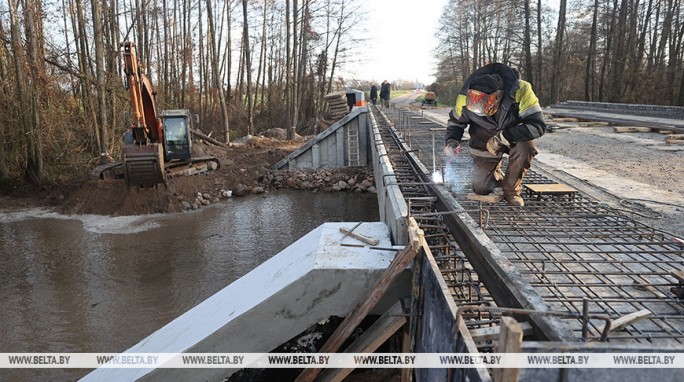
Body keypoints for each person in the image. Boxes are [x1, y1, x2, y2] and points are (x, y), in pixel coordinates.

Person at [444, 63, 546, 206]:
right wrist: (452, 141)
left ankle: (511, 191)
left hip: (514, 138)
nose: (479, 109)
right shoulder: (465, 96)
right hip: (484, 139)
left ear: (497, 97)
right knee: (481, 188)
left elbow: (538, 126)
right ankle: (495, 175)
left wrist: (504, 137)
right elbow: (455, 122)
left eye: (483, 104)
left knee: (526, 146)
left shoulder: (521, 90)